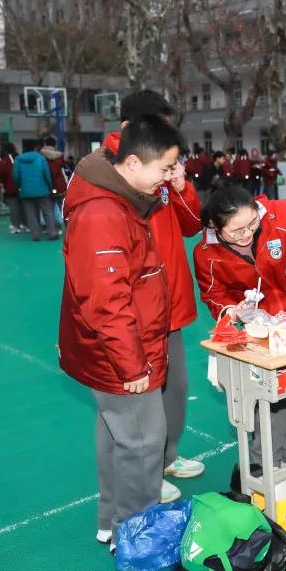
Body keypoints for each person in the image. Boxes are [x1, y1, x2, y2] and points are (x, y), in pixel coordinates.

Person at [58, 114, 182, 552]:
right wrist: (133, 365)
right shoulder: (104, 212)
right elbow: (107, 303)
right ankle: (136, 535)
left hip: (122, 348)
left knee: (120, 437)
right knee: (144, 444)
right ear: (132, 163)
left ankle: (114, 523)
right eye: (165, 168)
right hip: (122, 353)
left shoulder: (119, 198)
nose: (170, 177)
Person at [194, 182, 286, 479]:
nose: (247, 234)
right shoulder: (206, 253)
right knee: (265, 393)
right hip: (258, 331)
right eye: (237, 232)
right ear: (215, 227)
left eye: (252, 224)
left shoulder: (279, 215)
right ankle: (264, 460)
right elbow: (213, 294)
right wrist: (233, 310)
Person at [101, 89, 206, 504]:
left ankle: (166, 457)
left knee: (175, 388)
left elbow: (192, 225)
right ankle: (142, 476)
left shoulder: (163, 165)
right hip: (137, 307)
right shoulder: (114, 168)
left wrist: (181, 186)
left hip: (171, 300)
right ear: (130, 128)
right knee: (138, 400)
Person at [12, 140, 58, 241]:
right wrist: (49, 186)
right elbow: (46, 174)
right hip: (42, 189)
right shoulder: (41, 158)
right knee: (47, 211)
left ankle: (35, 234)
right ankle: (52, 233)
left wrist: (20, 185)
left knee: (31, 213)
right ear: (34, 148)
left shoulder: (18, 160)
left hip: (26, 190)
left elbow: (15, 176)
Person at [0, 143, 25, 234]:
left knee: (14, 207)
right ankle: (26, 224)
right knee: (25, 206)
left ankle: (15, 226)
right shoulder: (20, 158)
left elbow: (3, 173)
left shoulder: (6, 161)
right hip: (24, 186)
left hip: (11, 186)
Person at [40, 136, 69, 230]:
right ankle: (66, 226)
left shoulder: (41, 156)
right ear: (54, 145)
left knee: (48, 208)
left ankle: (49, 227)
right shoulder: (60, 156)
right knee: (62, 206)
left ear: (45, 144)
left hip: (46, 185)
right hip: (60, 184)